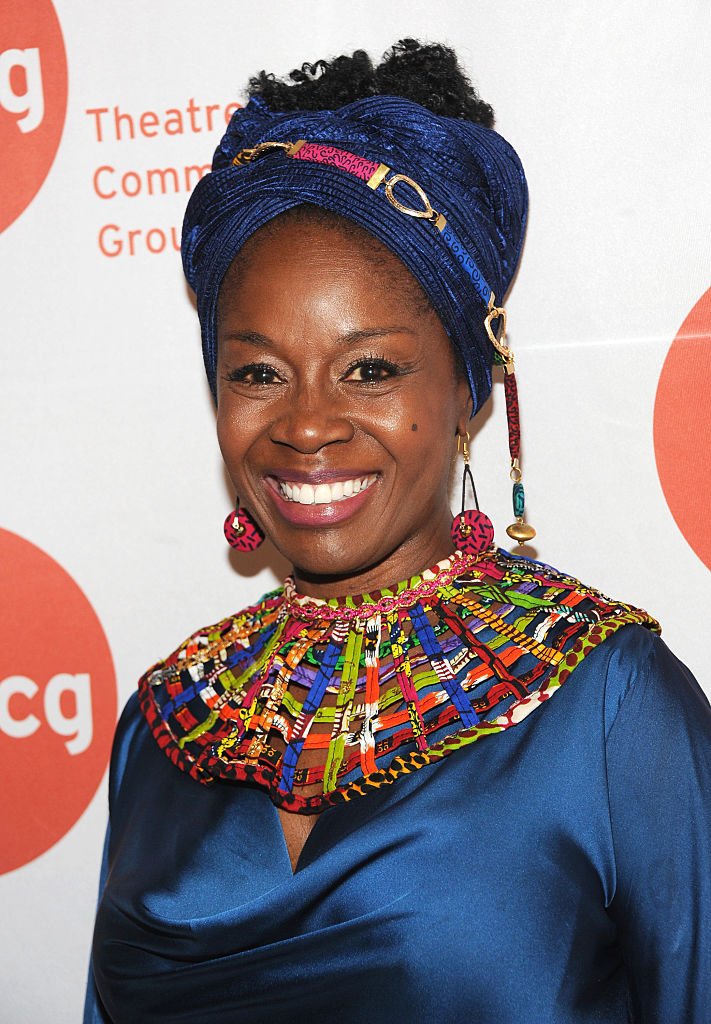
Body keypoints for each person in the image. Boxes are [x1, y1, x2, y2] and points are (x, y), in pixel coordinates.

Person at [84, 40, 711, 1024]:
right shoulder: (167, 727)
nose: (306, 422)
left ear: (468, 386)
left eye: (369, 368)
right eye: (258, 372)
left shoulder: (608, 711)